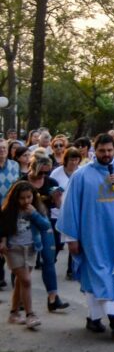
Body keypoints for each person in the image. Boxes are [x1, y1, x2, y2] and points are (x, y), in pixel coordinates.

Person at [58, 132, 114, 336]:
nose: (106, 154)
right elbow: (70, 207)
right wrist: (71, 238)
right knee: (100, 275)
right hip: (93, 236)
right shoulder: (81, 175)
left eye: (110, 151)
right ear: (96, 150)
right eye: (102, 151)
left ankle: (93, 319)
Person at [0, 181, 52, 330]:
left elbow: (45, 225)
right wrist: (2, 241)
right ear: (15, 198)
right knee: (26, 281)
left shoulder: (36, 208)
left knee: (20, 282)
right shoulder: (9, 210)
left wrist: (34, 214)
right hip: (13, 249)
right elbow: (2, 227)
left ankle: (14, 313)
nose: (26, 201)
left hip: (31, 248)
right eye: (22, 198)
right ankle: (30, 314)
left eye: (28, 197)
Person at [23, 153, 69, 311]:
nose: (43, 175)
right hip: (25, 225)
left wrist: (57, 198)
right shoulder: (22, 182)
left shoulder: (51, 182)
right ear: (32, 167)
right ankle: (21, 299)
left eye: (46, 172)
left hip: (45, 224)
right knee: (24, 264)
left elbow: (57, 206)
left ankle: (53, 298)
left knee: (49, 261)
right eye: (40, 172)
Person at [51, 146, 82, 280]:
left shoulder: (81, 173)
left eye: (76, 159)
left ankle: (71, 269)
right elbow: (50, 188)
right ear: (66, 160)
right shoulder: (57, 173)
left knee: (73, 240)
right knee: (58, 243)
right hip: (57, 213)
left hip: (75, 213)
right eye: (71, 160)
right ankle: (50, 262)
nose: (74, 163)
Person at [0, 139, 21, 289]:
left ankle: (16, 281)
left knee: (13, 245)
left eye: (3, 148)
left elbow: (18, 186)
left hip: (10, 211)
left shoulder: (15, 165)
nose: (1, 151)